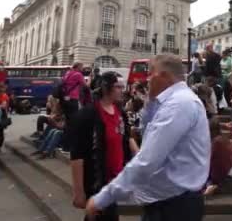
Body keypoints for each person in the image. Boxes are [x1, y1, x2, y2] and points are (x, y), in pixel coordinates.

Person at [84, 55, 209, 221]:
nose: (147, 79)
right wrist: (150, 101)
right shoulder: (172, 102)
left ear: (164, 76)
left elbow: (147, 159)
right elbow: (147, 133)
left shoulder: (179, 104)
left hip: (174, 205)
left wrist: (102, 198)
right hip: (166, 200)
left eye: (151, 73)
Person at [71, 71, 138, 221]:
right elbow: (77, 155)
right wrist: (78, 191)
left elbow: (127, 137)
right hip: (97, 180)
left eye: (123, 86)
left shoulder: (120, 113)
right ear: (106, 88)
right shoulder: (88, 115)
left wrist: (140, 157)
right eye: (118, 87)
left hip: (117, 180)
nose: (123, 90)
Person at [204, 117, 232, 196]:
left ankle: (211, 186)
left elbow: (209, 159)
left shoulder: (216, 142)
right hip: (231, 172)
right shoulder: (224, 139)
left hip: (219, 175)